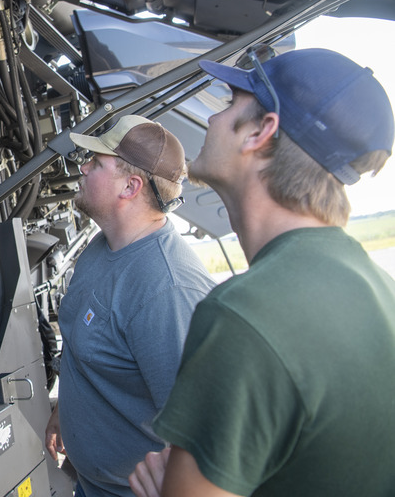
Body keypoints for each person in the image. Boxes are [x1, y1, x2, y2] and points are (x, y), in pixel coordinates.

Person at [128, 48, 395, 497]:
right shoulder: (382, 290)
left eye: (230, 102)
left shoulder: (242, 315)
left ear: (260, 131)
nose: (212, 119)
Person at [46, 115, 215, 497]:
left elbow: (205, 435)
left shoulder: (167, 291)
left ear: (130, 186)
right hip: (89, 484)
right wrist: (66, 412)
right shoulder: (103, 246)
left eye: (97, 162)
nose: (83, 167)